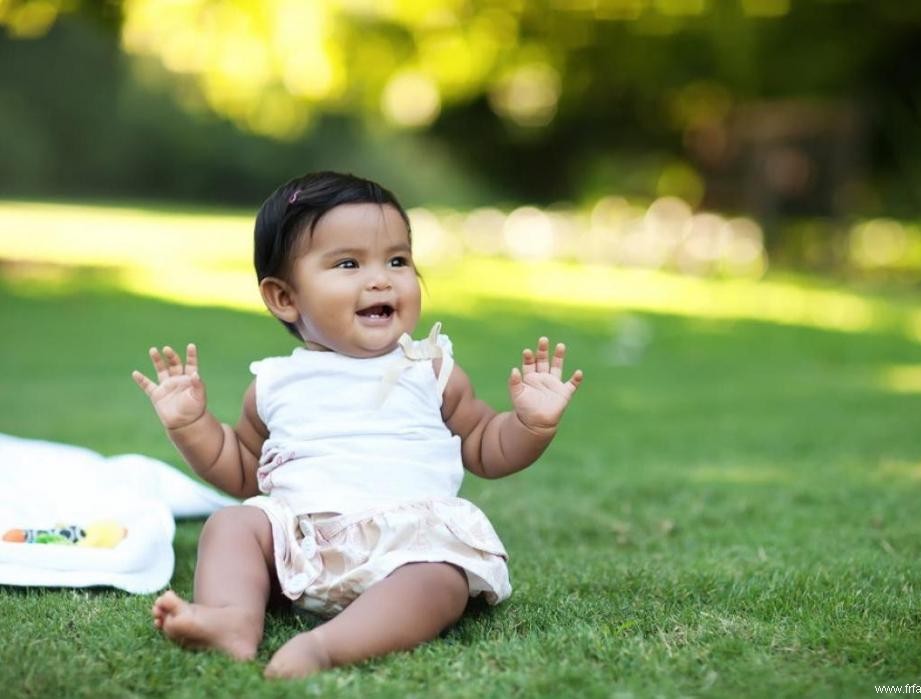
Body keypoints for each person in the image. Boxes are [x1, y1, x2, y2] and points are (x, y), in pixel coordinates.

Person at [132, 171, 584, 679]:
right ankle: (231, 620)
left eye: (397, 260)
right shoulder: (277, 384)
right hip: (301, 543)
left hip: (409, 544)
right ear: (285, 298)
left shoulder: (430, 369)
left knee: (443, 581)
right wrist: (191, 424)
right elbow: (241, 472)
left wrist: (531, 425)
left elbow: (484, 446)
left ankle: (327, 647)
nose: (381, 278)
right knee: (232, 524)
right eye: (349, 263)